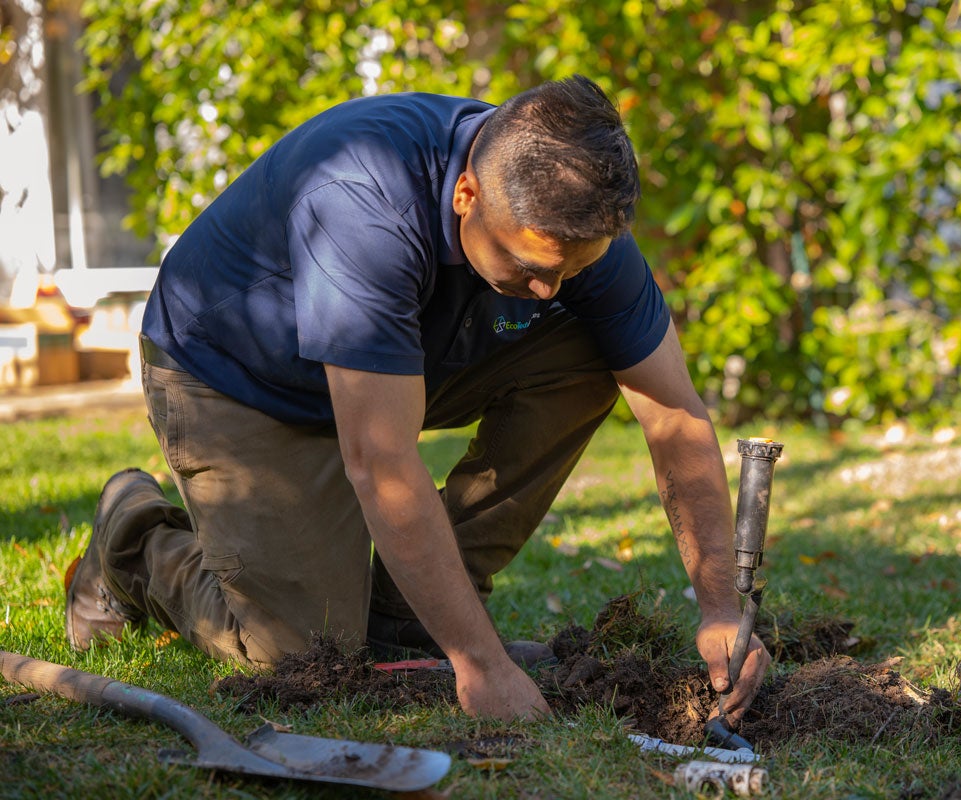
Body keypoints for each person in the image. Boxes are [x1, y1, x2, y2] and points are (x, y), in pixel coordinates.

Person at [64, 75, 769, 723]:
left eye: (569, 272)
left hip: (398, 363)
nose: (551, 292)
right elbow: (382, 459)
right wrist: (480, 665)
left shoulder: (570, 219)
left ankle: (409, 618)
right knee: (307, 655)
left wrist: (717, 607)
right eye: (529, 270)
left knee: (593, 354)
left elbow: (673, 414)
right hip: (237, 377)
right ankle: (132, 539)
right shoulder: (363, 202)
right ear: (467, 195)